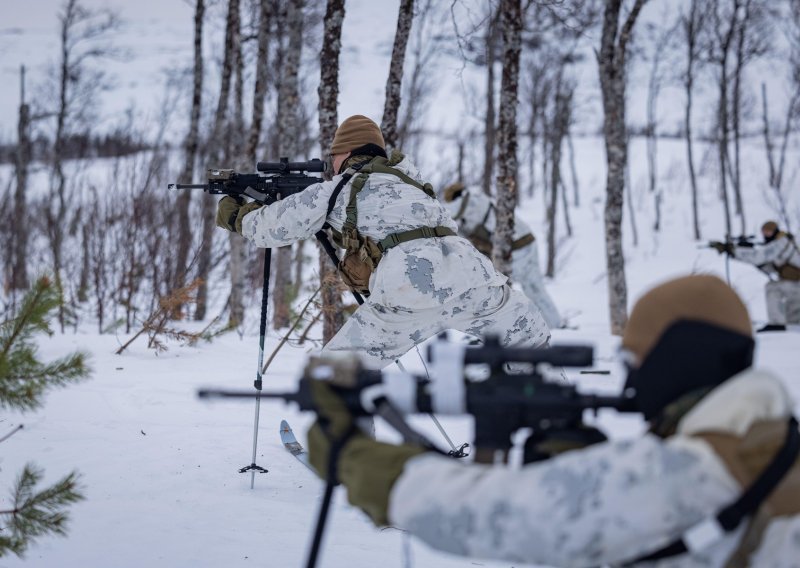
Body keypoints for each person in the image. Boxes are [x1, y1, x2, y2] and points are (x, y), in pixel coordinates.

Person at [306, 274, 800, 567]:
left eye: (634, 365)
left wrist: (359, 459)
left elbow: (502, 515)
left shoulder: (703, 468)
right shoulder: (766, 436)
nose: (631, 385)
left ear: (677, 358)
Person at [216, 115, 550, 369]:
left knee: (337, 375)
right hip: (474, 281)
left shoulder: (338, 189)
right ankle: (555, 430)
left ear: (345, 153)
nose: (330, 164)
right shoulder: (413, 182)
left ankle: (347, 450)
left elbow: (270, 229)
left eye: (333, 155)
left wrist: (235, 213)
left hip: (410, 292)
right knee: (528, 342)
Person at [441, 182, 564, 329]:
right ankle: (555, 326)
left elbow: (445, 212)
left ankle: (501, 330)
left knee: (495, 290)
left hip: (517, 248)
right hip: (524, 244)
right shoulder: (470, 212)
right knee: (534, 290)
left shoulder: (473, 199)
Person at [710, 220, 800, 332]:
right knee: (794, 323)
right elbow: (767, 265)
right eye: (764, 232)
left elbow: (758, 256)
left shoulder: (782, 242)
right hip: (795, 285)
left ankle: (776, 324)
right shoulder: (780, 244)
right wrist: (737, 253)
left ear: (775, 231)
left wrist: (733, 250)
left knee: (772, 287)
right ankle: (793, 328)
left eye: (768, 232)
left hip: (796, 284)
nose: (765, 235)